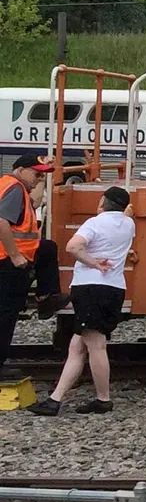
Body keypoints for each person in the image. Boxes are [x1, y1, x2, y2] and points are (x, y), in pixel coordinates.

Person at [27, 185, 135, 415]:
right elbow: (125, 215)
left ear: (103, 202)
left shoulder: (94, 224)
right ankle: (55, 400)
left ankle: (103, 399)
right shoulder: (128, 224)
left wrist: (94, 262)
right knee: (77, 345)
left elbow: (73, 247)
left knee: (96, 345)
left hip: (90, 288)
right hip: (114, 289)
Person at [0, 153, 50, 379]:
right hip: (8, 262)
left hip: (8, 260)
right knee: (5, 314)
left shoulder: (11, 186)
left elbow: (36, 202)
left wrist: (44, 177)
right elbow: (1, 221)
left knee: (48, 248)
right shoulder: (15, 188)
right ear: (20, 170)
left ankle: (47, 295)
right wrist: (15, 255)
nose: (38, 179)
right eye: (36, 174)